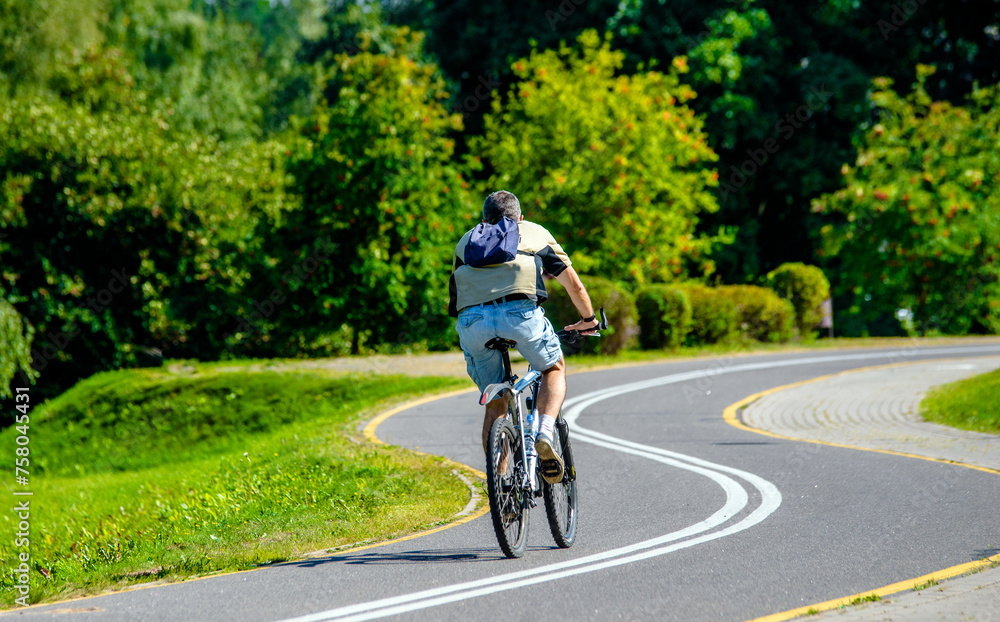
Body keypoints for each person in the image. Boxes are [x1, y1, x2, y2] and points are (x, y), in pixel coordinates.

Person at [449, 190, 599, 484]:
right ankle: (543, 432)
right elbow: (575, 286)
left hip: (472, 323)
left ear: (484, 220)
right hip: (520, 317)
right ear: (520, 217)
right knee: (553, 368)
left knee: (496, 400)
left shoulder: (466, 240)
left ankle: (501, 483)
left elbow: (457, 294)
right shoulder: (535, 233)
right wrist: (588, 320)